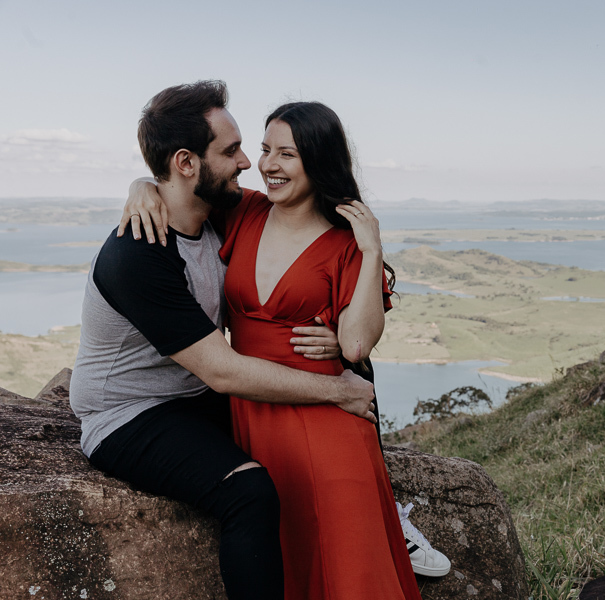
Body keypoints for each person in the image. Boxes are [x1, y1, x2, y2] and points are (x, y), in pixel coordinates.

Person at [123, 91, 451, 597]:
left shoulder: (344, 242)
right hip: (254, 403)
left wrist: (370, 250)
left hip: (323, 410)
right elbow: (183, 184)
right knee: (287, 555)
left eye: (286, 155)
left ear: (317, 161)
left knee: (348, 566)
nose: (267, 166)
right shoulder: (243, 210)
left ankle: (394, 529)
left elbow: (358, 344)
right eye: (265, 149)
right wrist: (141, 185)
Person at [69, 81, 379, 600]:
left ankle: (376, 510)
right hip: (130, 415)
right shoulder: (138, 256)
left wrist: (144, 182)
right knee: (249, 490)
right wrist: (339, 391)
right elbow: (223, 370)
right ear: (188, 163)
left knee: (325, 407)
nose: (246, 163)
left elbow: (296, 224)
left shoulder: (215, 212)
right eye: (233, 151)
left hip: (191, 395)